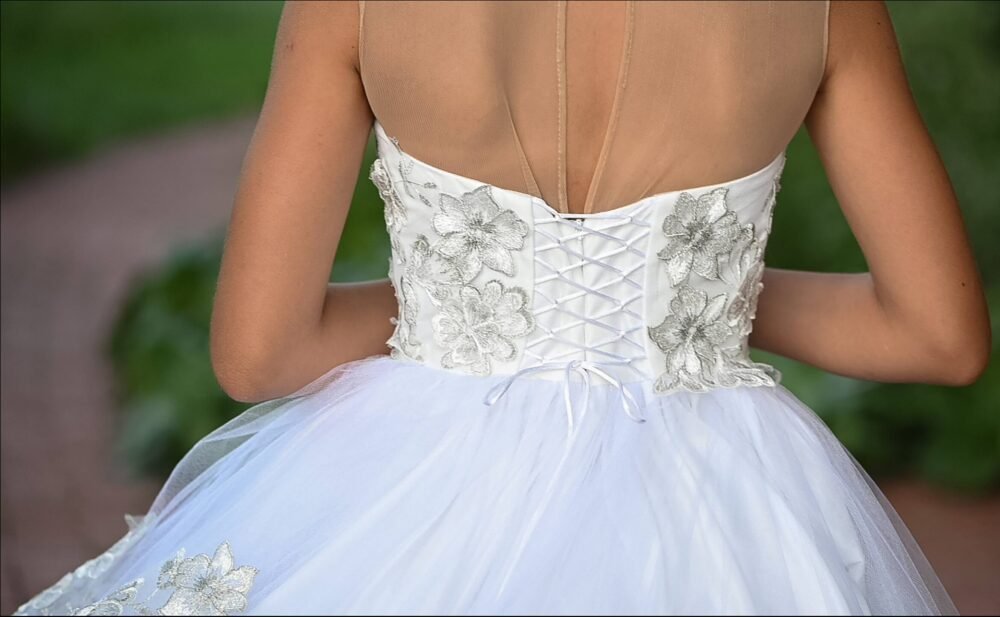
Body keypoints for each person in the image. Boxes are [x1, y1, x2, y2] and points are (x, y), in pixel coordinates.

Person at [14, 1, 989, 615]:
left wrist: (473, 295)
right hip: (722, 497)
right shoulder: (825, 10)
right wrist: (692, 298)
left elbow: (259, 353)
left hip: (415, 480)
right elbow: (936, 335)